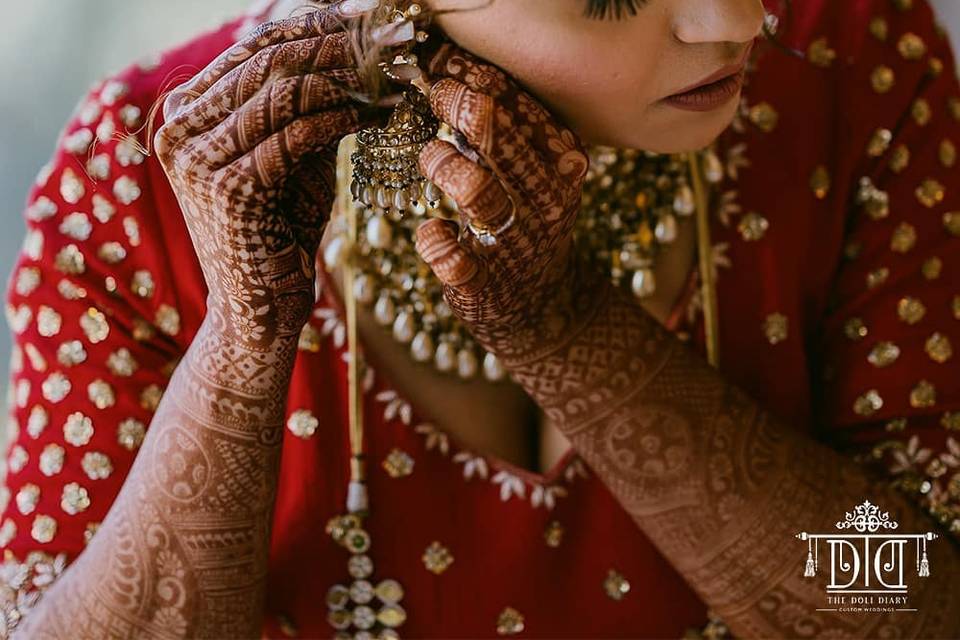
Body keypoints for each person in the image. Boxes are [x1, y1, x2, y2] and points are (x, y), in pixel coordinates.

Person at [0, 0, 958, 637]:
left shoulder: (850, 70)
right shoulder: (147, 171)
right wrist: (243, 343)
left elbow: (926, 594)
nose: (740, 15)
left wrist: (566, 331)